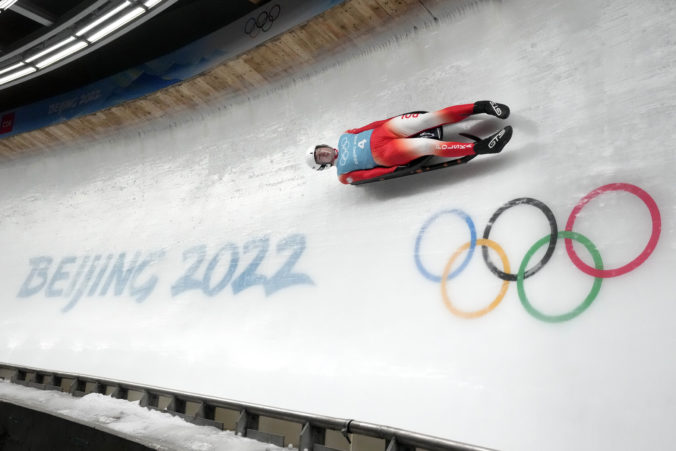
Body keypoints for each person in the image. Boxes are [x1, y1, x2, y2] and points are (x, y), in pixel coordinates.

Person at [305, 101, 513, 184]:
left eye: (319, 150)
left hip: (384, 131)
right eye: (320, 157)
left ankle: (482, 106)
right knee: (424, 145)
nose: (322, 153)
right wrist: (397, 169)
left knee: (427, 119)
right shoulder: (343, 174)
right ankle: (482, 147)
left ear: (322, 145)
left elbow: (369, 126)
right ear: (323, 165)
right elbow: (369, 175)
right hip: (386, 153)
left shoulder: (344, 136)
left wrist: (390, 121)